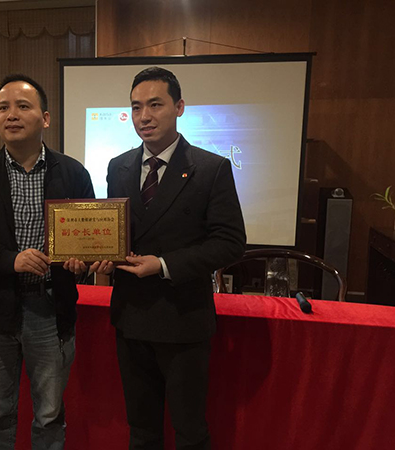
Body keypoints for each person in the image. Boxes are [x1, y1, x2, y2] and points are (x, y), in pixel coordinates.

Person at [91, 67, 246, 450]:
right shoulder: (118, 167)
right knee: (141, 431)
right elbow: (117, 234)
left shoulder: (210, 168)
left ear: (179, 107)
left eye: (155, 105)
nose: (144, 116)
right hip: (130, 318)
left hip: (183, 321)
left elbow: (230, 243)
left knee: (190, 432)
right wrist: (102, 255)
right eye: (136, 107)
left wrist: (162, 265)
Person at [0, 74, 94, 450]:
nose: (11, 114)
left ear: (45, 118)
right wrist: (11, 261)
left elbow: (90, 239)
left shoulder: (73, 173)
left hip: (51, 311)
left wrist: (83, 262)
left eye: (23, 106)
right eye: (3, 107)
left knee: (49, 415)